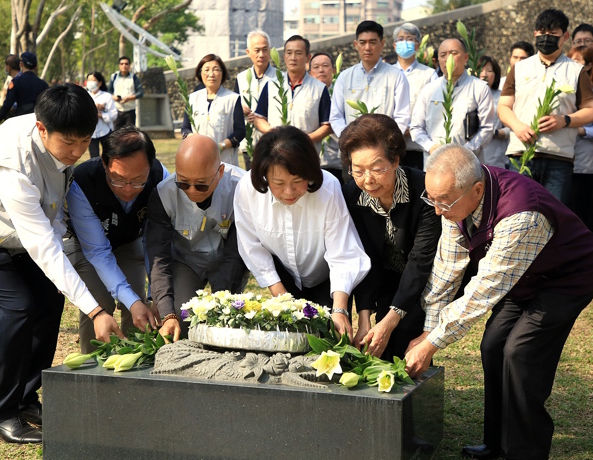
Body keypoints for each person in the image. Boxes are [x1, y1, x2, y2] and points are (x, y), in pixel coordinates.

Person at [0, 84, 123, 444]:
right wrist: (97, 311)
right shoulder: (12, 165)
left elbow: (52, 223)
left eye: (85, 141)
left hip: (14, 233)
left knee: (49, 299)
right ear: (42, 129)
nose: (79, 151)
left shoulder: (59, 143)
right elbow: (43, 245)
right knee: (16, 307)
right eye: (70, 143)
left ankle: (25, 397)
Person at [404, 145, 593, 460]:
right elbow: (448, 269)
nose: (437, 210)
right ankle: (496, 440)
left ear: (477, 190)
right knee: (493, 345)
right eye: (431, 199)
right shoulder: (455, 202)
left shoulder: (522, 213)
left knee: (520, 351)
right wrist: (429, 327)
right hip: (520, 275)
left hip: (566, 277)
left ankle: (528, 454)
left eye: (443, 202)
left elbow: (482, 292)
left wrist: (431, 344)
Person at [234, 126, 371, 337]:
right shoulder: (247, 189)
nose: (289, 192)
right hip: (281, 274)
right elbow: (251, 247)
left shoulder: (329, 188)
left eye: (298, 181)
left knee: (327, 338)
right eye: (278, 183)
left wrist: (340, 309)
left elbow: (342, 252)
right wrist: (283, 299)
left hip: (326, 278)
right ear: (264, 177)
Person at [339, 114, 441, 357]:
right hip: (386, 277)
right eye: (358, 171)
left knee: (403, 335)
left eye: (376, 169)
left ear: (395, 160)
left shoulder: (425, 192)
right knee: (379, 348)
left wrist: (389, 321)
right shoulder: (352, 194)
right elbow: (362, 255)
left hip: (426, 280)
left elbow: (421, 261)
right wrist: (364, 317)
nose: (368, 180)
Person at [65, 127, 163, 354]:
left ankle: (138, 360)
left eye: (138, 181)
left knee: (139, 301)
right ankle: (92, 363)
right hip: (90, 247)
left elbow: (155, 240)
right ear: (104, 163)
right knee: (100, 304)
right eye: (117, 179)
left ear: (151, 166)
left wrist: (155, 295)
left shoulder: (160, 178)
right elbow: (98, 253)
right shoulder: (82, 183)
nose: (128, 190)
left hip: (132, 241)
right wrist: (132, 301)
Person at [147, 134, 249, 338]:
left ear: (220, 172)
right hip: (187, 261)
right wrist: (166, 311)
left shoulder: (242, 187)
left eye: (201, 184)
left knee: (226, 323)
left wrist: (221, 299)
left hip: (230, 259)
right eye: (183, 183)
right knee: (181, 322)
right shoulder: (163, 194)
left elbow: (236, 252)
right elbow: (159, 256)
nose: (192, 191)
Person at [498, 9, 593, 207]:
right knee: (517, 212)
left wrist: (564, 120)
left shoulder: (576, 71)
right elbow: (504, 106)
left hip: (558, 158)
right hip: (520, 155)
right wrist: (517, 127)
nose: (546, 38)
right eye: (541, 33)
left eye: (553, 35)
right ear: (534, 34)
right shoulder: (520, 68)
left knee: (553, 217)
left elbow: (590, 110)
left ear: (565, 37)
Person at [410, 38, 495, 167]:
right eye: (443, 55)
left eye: (453, 53)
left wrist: (464, 152)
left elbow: (487, 129)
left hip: (468, 165)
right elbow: (416, 127)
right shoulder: (429, 89)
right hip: (434, 164)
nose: (447, 59)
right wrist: (431, 147)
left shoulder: (480, 88)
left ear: (466, 58)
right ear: (438, 60)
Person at [329, 21, 411, 140]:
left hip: (384, 146)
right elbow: (336, 117)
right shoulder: (344, 77)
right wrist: (349, 139)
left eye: (372, 42)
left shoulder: (396, 76)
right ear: (356, 45)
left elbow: (402, 116)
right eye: (362, 43)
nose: (367, 48)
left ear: (382, 44)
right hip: (353, 146)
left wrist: (387, 141)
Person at [253, 35, 331, 155]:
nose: (293, 58)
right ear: (284, 56)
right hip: (275, 153)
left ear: (308, 58)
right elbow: (259, 118)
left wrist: (304, 140)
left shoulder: (319, 89)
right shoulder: (271, 85)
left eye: (298, 53)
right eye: (289, 53)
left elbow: (327, 126)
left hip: (306, 154)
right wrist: (275, 135)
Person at [568, 45, 593, 242]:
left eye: (578, 61)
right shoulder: (564, 88)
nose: (572, 65)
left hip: (584, 161)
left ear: (590, 65)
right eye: (571, 60)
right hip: (562, 156)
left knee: (583, 207)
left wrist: (581, 130)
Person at [182, 54, 245, 166]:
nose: (211, 74)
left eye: (216, 70)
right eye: (206, 70)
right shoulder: (192, 98)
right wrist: (194, 140)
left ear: (222, 74)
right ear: (200, 73)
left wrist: (221, 146)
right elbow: (185, 128)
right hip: (197, 160)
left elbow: (240, 132)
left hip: (225, 162)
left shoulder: (233, 99)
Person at [392, 22, 439, 170]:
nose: (404, 42)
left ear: (417, 45)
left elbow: (434, 108)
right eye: (400, 39)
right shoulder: (387, 73)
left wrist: (411, 128)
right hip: (391, 146)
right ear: (394, 45)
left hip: (418, 146)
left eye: (409, 39)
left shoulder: (429, 74)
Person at [236, 30, 278, 170]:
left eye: (265, 50)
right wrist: (240, 108)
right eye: (257, 50)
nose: (261, 54)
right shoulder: (241, 78)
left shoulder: (280, 78)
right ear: (248, 52)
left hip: (274, 144)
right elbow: (234, 107)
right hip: (249, 144)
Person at [309, 51, 344, 182]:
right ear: (310, 72)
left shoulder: (342, 94)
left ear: (333, 70)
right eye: (316, 67)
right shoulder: (305, 94)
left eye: (325, 66)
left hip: (335, 161)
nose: (321, 70)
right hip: (310, 159)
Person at [0, 52, 48, 125]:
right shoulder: (43, 84)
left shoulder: (15, 82)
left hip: (21, 121)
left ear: (21, 64)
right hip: (37, 121)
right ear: (36, 66)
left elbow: (7, 105)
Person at [479, 56, 510, 168]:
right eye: (480, 70)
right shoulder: (467, 95)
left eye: (489, 70)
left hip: (495, 156)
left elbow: (510, 128)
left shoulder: (503, 97)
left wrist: (494, 133)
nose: (484, 74)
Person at [84, 72, 117, 158]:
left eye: (93, 80)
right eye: (89, 80)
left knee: (109, 155)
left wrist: (101, 115)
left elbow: (114, 114)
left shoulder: (106, 96)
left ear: (100, 83)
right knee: (94, 157)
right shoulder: (84, 96)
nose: (91, 82)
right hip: (91, 132)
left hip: (105, 130)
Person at [108, 56, 144, 129]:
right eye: (122, 64)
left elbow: (140, 93)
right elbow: (109, 92)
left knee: (129, 134)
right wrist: (114, 97)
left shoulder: (134, 77)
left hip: (130, 111)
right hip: (116, 110)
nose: (124, 66)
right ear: (119, 65)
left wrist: (129, 98)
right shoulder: (114, 77)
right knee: (115, 134)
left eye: (126, 64)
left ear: (129, 66)